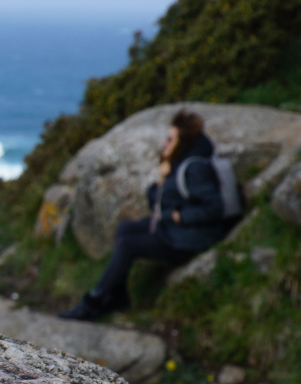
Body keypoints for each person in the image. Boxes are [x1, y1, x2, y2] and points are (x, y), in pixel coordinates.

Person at [60, 109, 231, 321]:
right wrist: (162, 180)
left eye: (170, 139)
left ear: (183, 142)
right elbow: (157, 202)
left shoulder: (195, 167)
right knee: (124, 229)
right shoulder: (179, 164)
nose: (164, 144)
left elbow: (213, 208)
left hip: (190, 238)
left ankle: (94, 301)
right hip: (177, 230)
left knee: (128, 245)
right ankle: (117, 296)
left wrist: (179, 217)